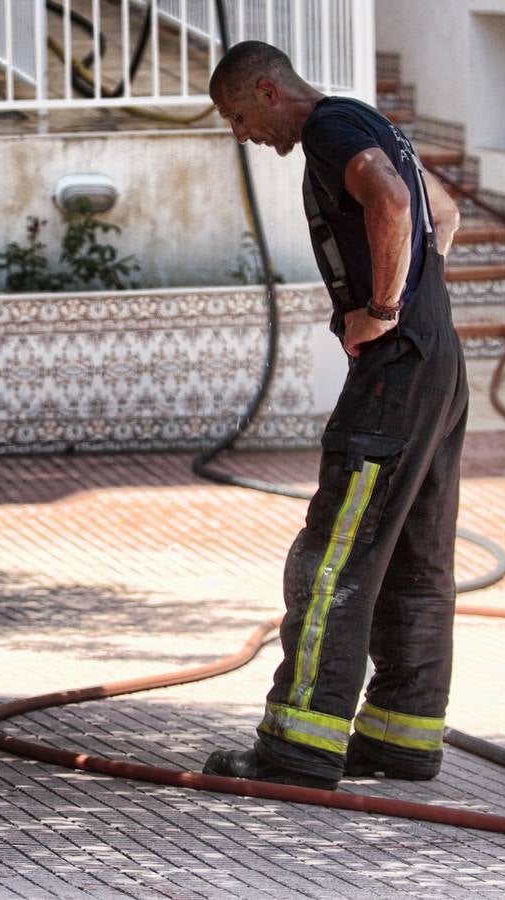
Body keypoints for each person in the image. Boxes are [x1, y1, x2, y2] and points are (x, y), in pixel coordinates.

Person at [202, 41, 467, 790]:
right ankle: (401, 736)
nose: (240, 133)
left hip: (394, 376)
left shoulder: (327, 129)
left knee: (331, 560)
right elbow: (438, 212)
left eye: (237, 115)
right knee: (417, 559)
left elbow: (390, 198)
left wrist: (381, 310)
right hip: (439, 366)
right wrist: (418, 300)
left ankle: (299, 747)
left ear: (265, 89)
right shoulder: (368, 120)